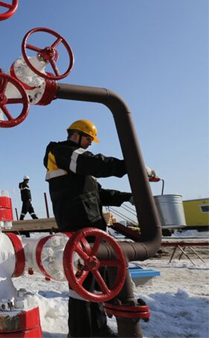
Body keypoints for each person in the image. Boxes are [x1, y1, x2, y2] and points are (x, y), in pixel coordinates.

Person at [43, 120, 157, 338]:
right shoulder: (62, 152)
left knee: (97, 283)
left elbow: (99, 193)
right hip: (78, 226)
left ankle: (98, 327)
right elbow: (95, 163)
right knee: (82, 285)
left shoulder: (79, 164)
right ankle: (80, 333)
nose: (88, 144)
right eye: (87, 139)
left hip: (93, 227)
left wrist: (128, 197)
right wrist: (131, 166)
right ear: (75, 135)